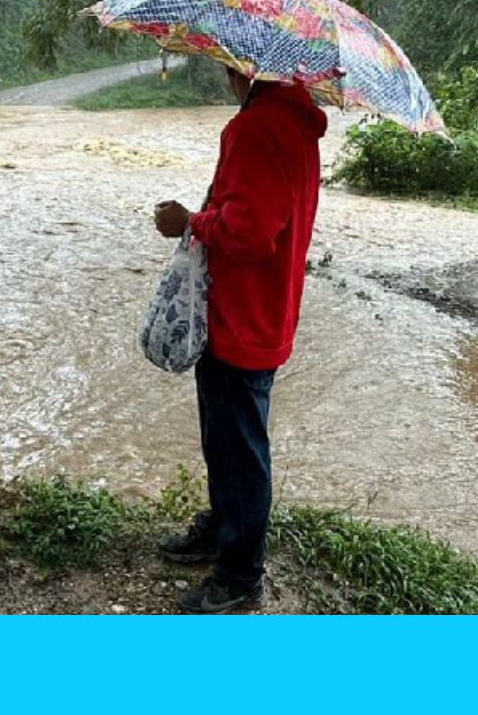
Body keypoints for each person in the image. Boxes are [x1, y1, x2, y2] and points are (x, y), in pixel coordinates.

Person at [151, 66, 326, 613]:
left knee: (239, 449)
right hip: (264, 310)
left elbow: (248, 235)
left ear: (245, 64)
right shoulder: (293, 121)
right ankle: (225, 526)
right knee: (227, 438)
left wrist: (189, 221)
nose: (225, 70)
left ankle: (239, 574)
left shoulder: (259, 127)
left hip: (239, 316)